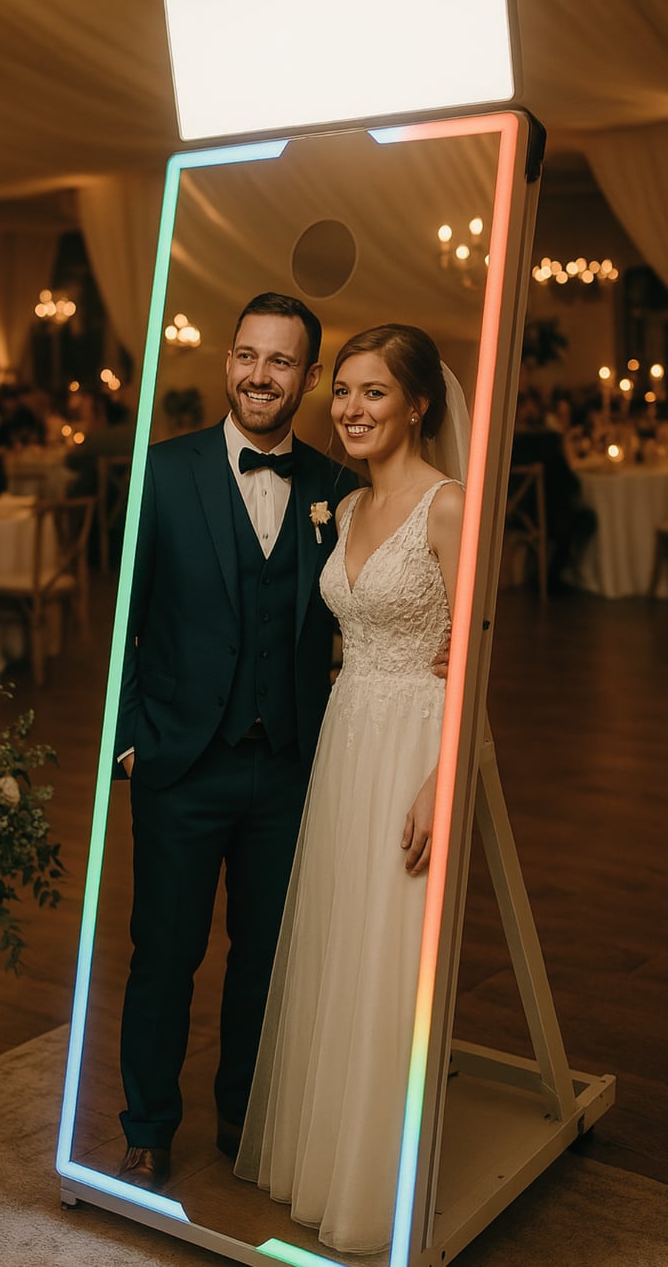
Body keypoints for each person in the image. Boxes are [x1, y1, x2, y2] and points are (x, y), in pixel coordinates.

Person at [113, 291, 360, 1193]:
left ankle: (242, 1113)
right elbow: (122, 622)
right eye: (248, 356)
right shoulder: (163, 470)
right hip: (178, 763)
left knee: (266, 955)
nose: (261, 375)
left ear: (309, 377)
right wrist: (130, 739)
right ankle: (146, 1125)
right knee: (165, 955)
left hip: (287, 768)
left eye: (282, 361)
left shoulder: (336, 487)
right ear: (227, 362)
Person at [234, 324, 468, 1254]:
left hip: (414, 742)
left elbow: (486, 656)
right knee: (339, 941)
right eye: (343, 392)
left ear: (417, 404)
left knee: (390, 952)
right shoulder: (346, 501)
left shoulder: (449, 507)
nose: (351, 409)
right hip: (346, 737)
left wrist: (439, 779)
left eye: (375, 393)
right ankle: (321, 1156)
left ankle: (376, 1183)